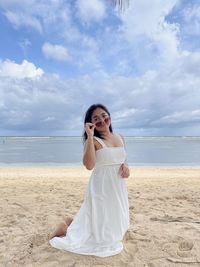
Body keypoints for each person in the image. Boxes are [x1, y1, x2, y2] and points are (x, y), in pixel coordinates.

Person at [49, 103, 130, 257]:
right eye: (96, 118)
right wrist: (90, 136)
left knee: (113, 219)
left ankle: (72, 222)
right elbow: (89, 165)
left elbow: (123, 158)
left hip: (118, 186)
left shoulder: (120, 137)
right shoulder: (93, 142)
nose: (101, 120)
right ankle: (64, 229)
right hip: (101, 187)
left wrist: (126, 165)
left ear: (109, 116)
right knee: (101, 228)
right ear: (90, 122)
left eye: (104, 115)